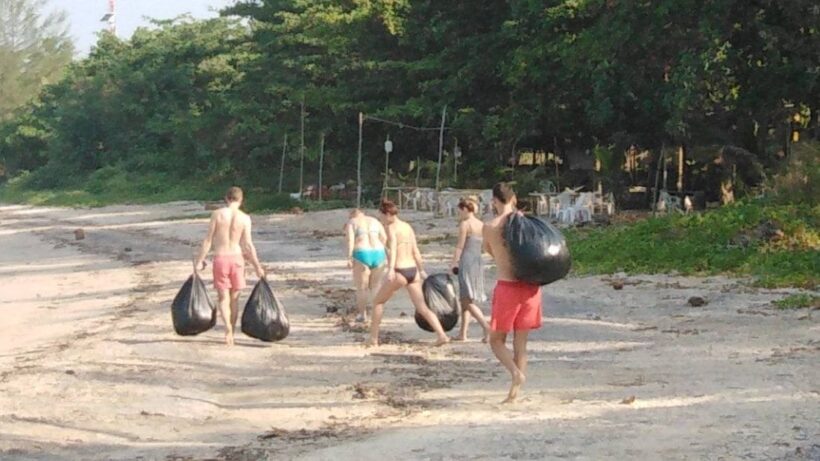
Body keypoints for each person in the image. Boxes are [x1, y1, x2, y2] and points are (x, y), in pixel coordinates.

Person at [483, 182, 542, 403]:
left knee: (496, 340)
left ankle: (516, 374)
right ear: (514, 199)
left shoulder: (491, 226)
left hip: (507, 287)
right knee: (521, 343)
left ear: (494, 201)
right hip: (530, 288)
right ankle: (514, 394)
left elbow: (489, 251)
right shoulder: (525, 223)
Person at [368, 199, 450, 348]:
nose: (381, 219)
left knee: (378, 302)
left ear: (387, 214)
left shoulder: (391, 228)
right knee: (422, 306)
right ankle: (441, 334)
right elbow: (415, 250)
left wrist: (390, 269)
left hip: (399, 269)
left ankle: (374, 339)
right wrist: (422, 269)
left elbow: (392, 250)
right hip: (413, 270)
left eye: (381, 216)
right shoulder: (407, 227)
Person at [194, 186, 266, 346]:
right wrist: (257, 267)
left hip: (220, 258)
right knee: (235, 298)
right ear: (241, 200)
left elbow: (208, 240)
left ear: (226, 198)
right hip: (237, 259)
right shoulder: (245, 218)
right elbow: (248, 245)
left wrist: (200, 260)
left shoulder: (217, 215)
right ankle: (232, 331)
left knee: (223, 298)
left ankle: (226, 328)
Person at [450, 197, 490, 342]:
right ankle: (463, 333)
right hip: (477, 261)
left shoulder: (465, 224)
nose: (459, 213)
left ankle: (486, 327)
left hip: (467, 260)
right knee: (466, 299)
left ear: (465, 209)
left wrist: (454, 262)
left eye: (460, 210)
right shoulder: (481, 224)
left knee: (467, 300)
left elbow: (460, 246)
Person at [344, 208, 387, 323]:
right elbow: (384, 237)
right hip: (378, 252)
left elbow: (350, 240)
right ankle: (377, 314)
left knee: (362, 288)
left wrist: (349, 257)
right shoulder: (375, 221)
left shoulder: (352, 222)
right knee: (376, 286)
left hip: (362, 253)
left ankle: (362, 315)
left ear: (352, 216)